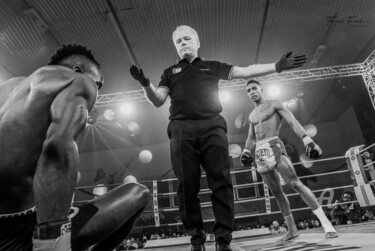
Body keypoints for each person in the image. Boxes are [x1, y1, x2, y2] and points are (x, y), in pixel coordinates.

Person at [130, 25, 307, 251]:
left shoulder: (211, 66)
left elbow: (246, 71)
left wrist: (276, 67)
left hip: (212, 126)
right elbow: (157, 100)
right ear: (175, 47)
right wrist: (145, 82)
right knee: (187, 187)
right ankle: (197, 241)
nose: (183, 43)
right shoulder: (169, 72)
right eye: (178, 41)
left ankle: (223, 240)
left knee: (221, 183)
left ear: (197, 42)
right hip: (181, 130)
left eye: (186, 39)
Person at [0, 44, 149, 251]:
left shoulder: (7, 87)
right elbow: (57, 149)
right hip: (23, 231)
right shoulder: (79, 81)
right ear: (78, 70)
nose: (97, 91)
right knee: (138, 193)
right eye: (99, 84)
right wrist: (50, 241)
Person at [240, 79, 338, 241]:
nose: (251, 92)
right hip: (259, 152)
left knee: (295, 183)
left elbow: (292, 121)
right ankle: (292, 230)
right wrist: (245, 149)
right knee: (276, 192)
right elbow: (251, 137)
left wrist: (306, 139)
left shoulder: (274, 104)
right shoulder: (251, 115)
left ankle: (327, 225)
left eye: (253, 88)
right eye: (248, 90)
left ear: (261, 88)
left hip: (274, 144)